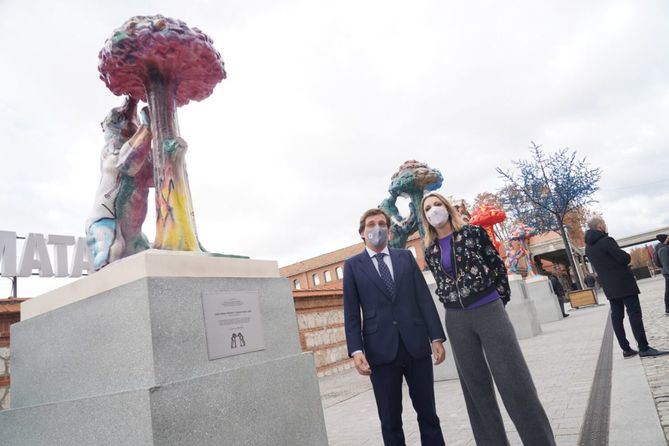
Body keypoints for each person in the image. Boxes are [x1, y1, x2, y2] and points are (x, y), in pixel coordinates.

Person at [420, 192, 555, 446]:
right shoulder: (430, 249)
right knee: (476, 391)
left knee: (514, 380)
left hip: (488, 309)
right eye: (428, 207)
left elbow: (497, 266)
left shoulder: (473, 233)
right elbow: (440, 283)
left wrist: (496, 301)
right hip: (456, 319)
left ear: (448, 208)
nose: (434, 209)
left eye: (438, 204)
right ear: (425, 216)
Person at [343, 208, 447, 445]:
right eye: (371, 224)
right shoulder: (352, 266)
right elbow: (350, 313)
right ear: (362, 232)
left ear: (389, 231)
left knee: (428, 414)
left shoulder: (406, 258)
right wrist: (356, 351)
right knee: (390, 421)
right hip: (380, 352)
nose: (376, 228)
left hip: (416, 346)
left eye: (382, 224)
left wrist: (436, 337)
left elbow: (423, 299)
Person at [584, 216, 668, 357]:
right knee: (634, 314)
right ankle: (643, 347)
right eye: (604, 224)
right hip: (624, 283)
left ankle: (626, 349)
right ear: (599, 226)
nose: (605, 226)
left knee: (617, 316)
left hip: (609, 286)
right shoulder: (606, 241)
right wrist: (627, 255)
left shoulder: (588, 248)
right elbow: (623, 258)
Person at [653, 233, 669, 315]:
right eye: (668, 237)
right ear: (665, 239)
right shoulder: (663, 249)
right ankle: (668, 309)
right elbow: (666, 263)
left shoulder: (662, 248)